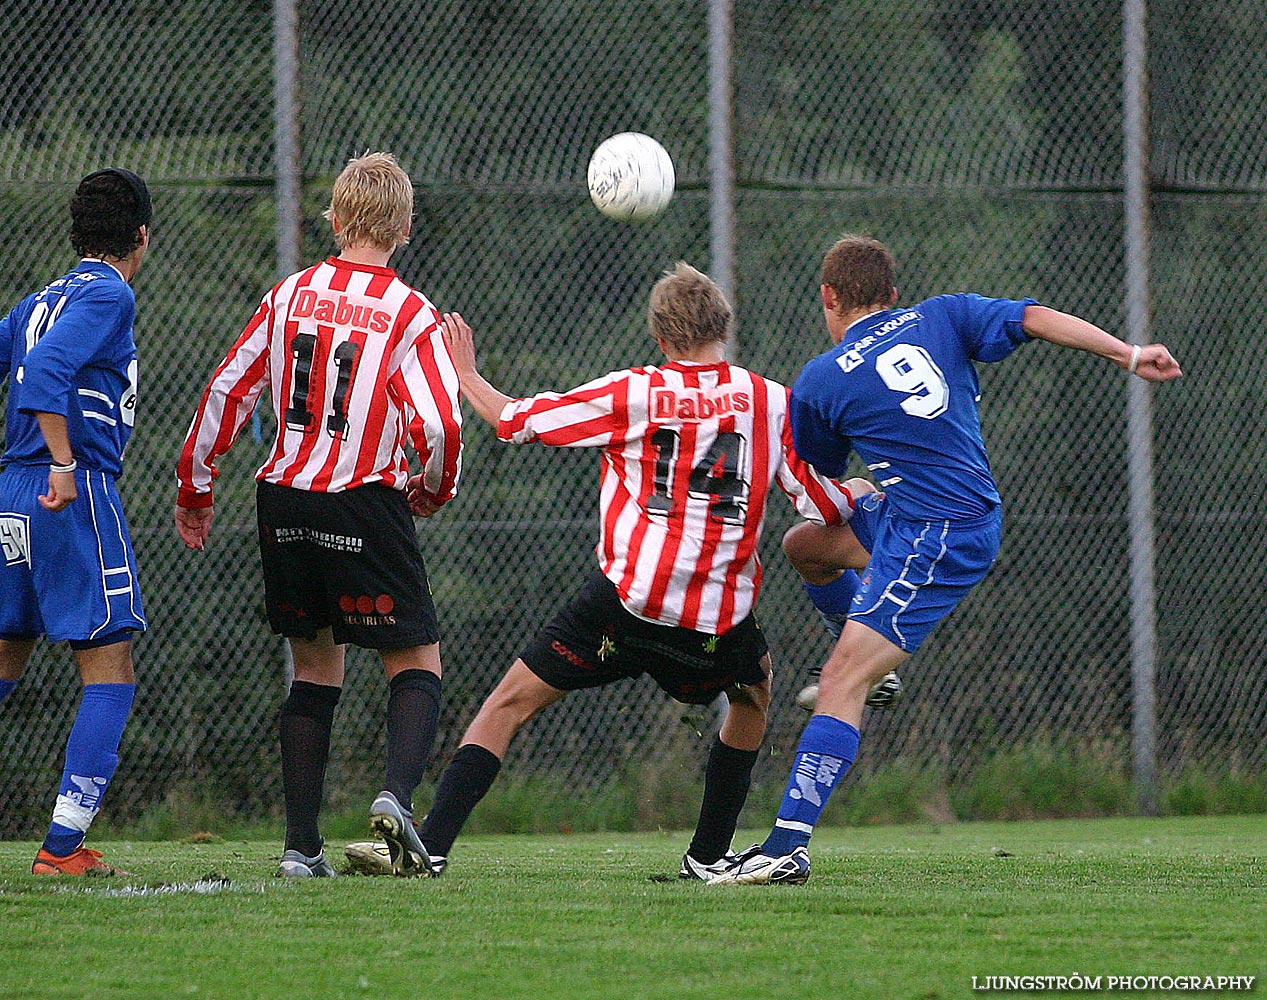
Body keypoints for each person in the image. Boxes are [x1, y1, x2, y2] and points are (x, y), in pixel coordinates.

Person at [711, 234, 1183, 885]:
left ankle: (787, 844)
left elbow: (817, 482)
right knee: (805, 549)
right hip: (921, 516)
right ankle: (879, 668)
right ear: (892, 295)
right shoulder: (944, 314)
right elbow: (1034, 318)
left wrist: (850, 486)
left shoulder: (820, 379)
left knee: (841, 681)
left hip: (938, 534)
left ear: (827, 298)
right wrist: (1127, 353)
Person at [382, 262, 860, 881]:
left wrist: (469, 374)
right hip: (713, 623)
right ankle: (709, 855)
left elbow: (514, 422)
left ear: (661, 339)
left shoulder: (634, 393)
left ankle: (434, 845)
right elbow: (819, 504)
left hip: (625, 607)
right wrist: (859, 493)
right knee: (753, 693)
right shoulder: (770, 401)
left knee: (507, 703)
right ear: (725, 326)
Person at [174, 152, 462, 878]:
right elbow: (441, 427)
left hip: (285, 499)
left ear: (333, 220)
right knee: (415, 659)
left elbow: (227, 392)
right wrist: (432, 490)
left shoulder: (289, 294)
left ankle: (302, 846)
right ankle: (395, 798)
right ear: (403, 228)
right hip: (363, 495)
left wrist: (196, 487)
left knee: (313, 667)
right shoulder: (409, 312)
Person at [0, 168, 153, 876]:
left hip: (11, 494)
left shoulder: (40, 299)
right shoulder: (110, 292)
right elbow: (47, 372)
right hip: (72, 492)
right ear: (141, 237)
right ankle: (62, 848)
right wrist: (62, 460)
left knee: (7, 655)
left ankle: (64, 846)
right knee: (109, 667)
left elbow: (20, 361)